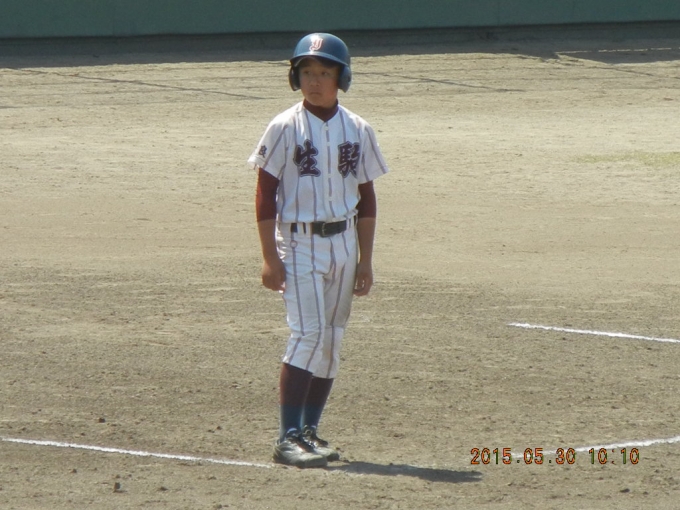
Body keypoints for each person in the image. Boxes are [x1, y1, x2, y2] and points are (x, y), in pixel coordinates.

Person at [248, 32, 389, 468]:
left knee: (331, 340)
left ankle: (309, 430)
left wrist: (366, 259)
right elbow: (265, 193)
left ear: (341, 78)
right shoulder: (283, 127)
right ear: (296, 77)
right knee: (308, 334)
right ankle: (287, 436)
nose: (314, 81)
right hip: (299, 243)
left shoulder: (358, 129)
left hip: (344, 244)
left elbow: (366, 198)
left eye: (324, 72)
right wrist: (269, 258)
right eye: (307, 72)